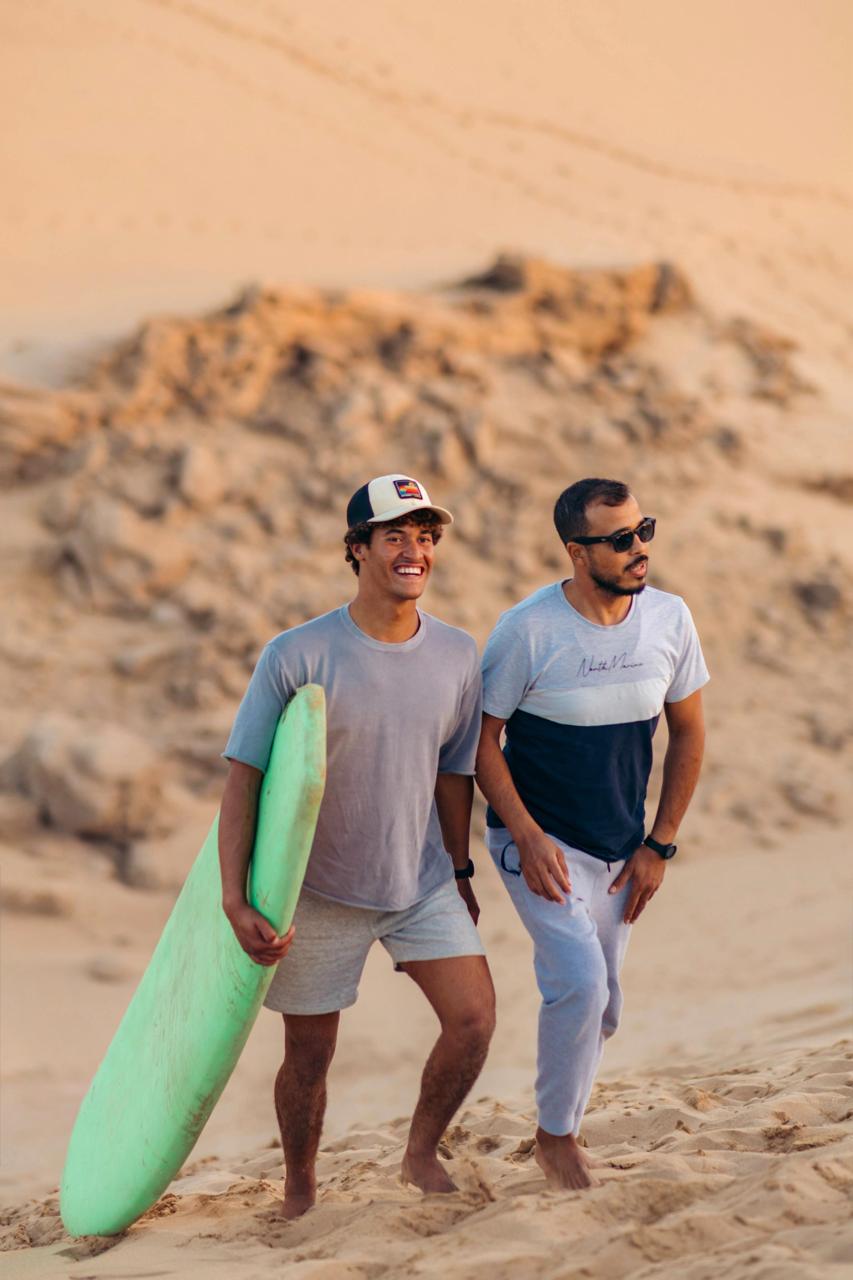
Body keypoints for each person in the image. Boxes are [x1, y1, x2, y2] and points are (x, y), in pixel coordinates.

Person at [219, 473, 495, 1218]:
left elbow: (452, 771)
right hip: (318, 890)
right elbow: (244, 779)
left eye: (426, 536)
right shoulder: (295, 654)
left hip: (420, 879)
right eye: (396, 535)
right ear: (358, 549)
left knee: (473, 1022)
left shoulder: (457, 654)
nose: (415, 551)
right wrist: (235, 895)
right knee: (308, 1057)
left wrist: (460, 865)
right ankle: (300, 1186)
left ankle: (419, 1152)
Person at [476, 477, 708, 1191]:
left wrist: (658, 844)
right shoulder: (528, 630)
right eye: (619, 539)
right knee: (576, 984)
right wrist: (525, 831)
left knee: (603, 1003)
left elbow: (690, 730)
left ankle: (561, 1126)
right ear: (577, 552)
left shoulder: (668, 619)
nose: (639, 549)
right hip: (536, 843)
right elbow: (480, 743)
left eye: (644, 530)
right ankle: (555, 1141)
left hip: (620, 844)